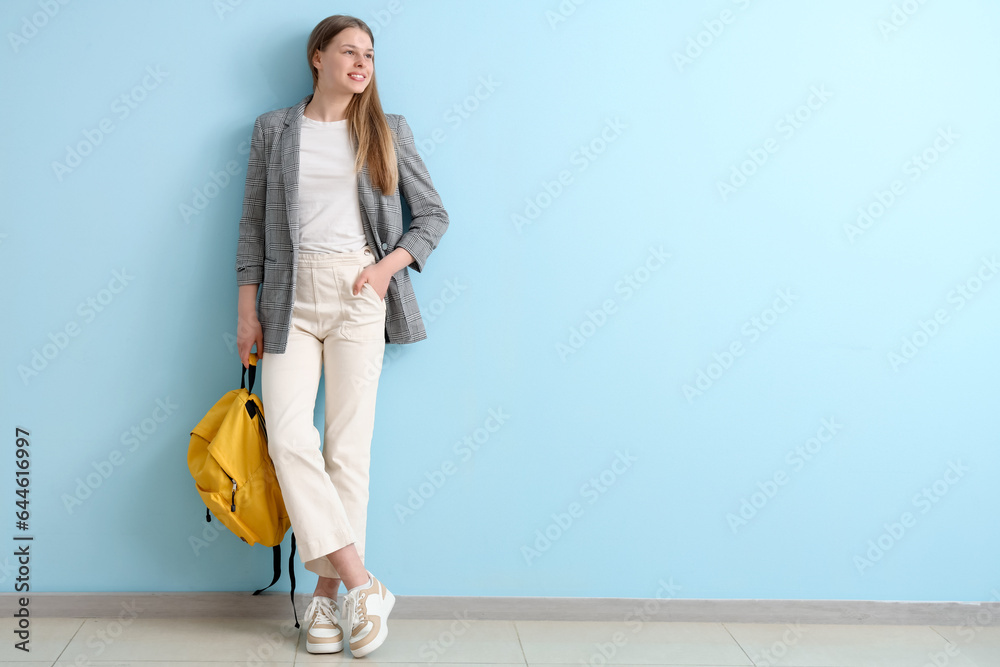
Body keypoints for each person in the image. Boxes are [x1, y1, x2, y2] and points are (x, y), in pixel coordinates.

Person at [234, 14, 449, 658]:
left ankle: (327, 602)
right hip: (288, 298)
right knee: (289, 435)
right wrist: (247, 309)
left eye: (370, 55)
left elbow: (433, 216)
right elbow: (252, 226)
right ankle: (363, 582)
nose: (362, 63)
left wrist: (383, 271)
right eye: (349, 51)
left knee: (348, 450)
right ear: (317, 57)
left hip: (359, 295)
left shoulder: (387, 131)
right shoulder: (274, 130)